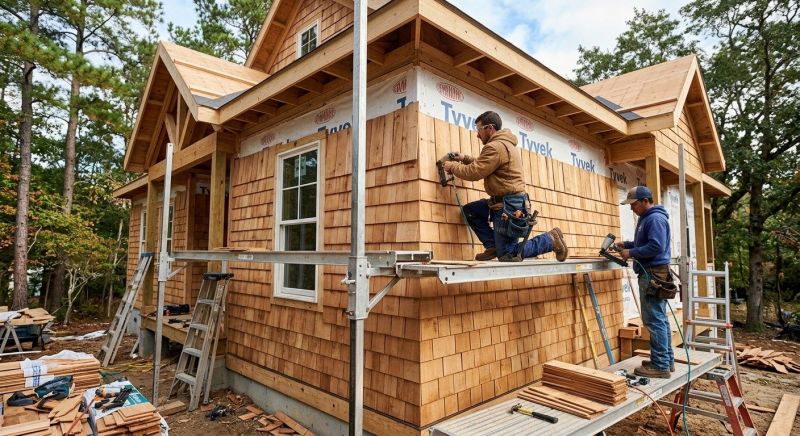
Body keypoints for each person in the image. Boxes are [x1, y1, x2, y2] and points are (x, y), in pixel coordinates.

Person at [442, 111, 568, 262]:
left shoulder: (495, 147)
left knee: (508, 254)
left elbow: (475, 172)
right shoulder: (503, 145)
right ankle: (493, 246)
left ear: (490, 128)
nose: (477, 135)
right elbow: (485, 164)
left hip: (508, 207)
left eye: (479, 130)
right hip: (503, 202)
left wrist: (452, 166)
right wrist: (465, 158)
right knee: (470, 211)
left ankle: (550, 240)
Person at [617, 185, 674, 379]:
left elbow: (656, 247)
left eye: (634, 204)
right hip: (653, 273)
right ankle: (665, 361)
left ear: (645, 201)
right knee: (660, 318)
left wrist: (631, 253)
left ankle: (660, 365)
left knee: (654, 320)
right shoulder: (647, 218)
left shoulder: (655, 219)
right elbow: (646, 243)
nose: (631, 208)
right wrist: (627, 245)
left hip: (653, 274)